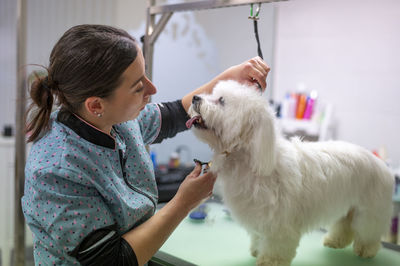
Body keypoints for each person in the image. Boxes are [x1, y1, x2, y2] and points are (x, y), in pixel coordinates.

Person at [22, 24, 270, 265]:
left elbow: (175, 114)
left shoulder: (117, 121)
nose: (153, 88)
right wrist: (182, 203)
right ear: (95, 105)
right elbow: (112, 261)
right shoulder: (56, 173)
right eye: (138, 86)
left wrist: (228, 77)